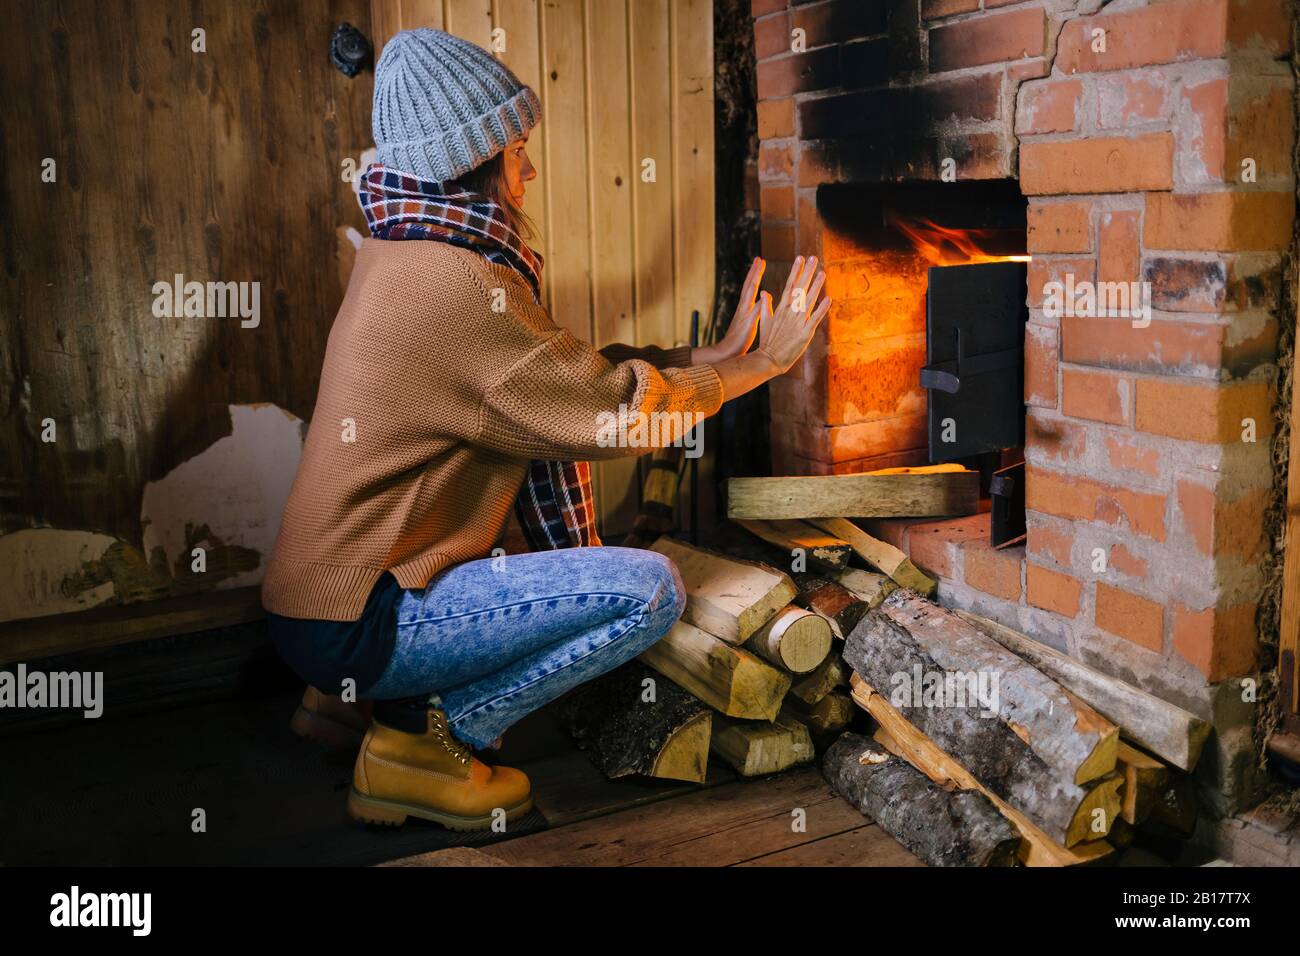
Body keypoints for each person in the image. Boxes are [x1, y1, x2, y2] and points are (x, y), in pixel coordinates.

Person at [261, 27, 830, 831]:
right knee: (648, 592)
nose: (527, 169)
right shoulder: (455, 286)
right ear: (473, 160)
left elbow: (556, 374)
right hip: (364, 617)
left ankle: (349, 702)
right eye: (517, 149)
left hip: (329, 601)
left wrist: (711, 356)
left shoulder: (408, 256)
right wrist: (761, 367)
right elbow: (611, 410)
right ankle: (422, 743)